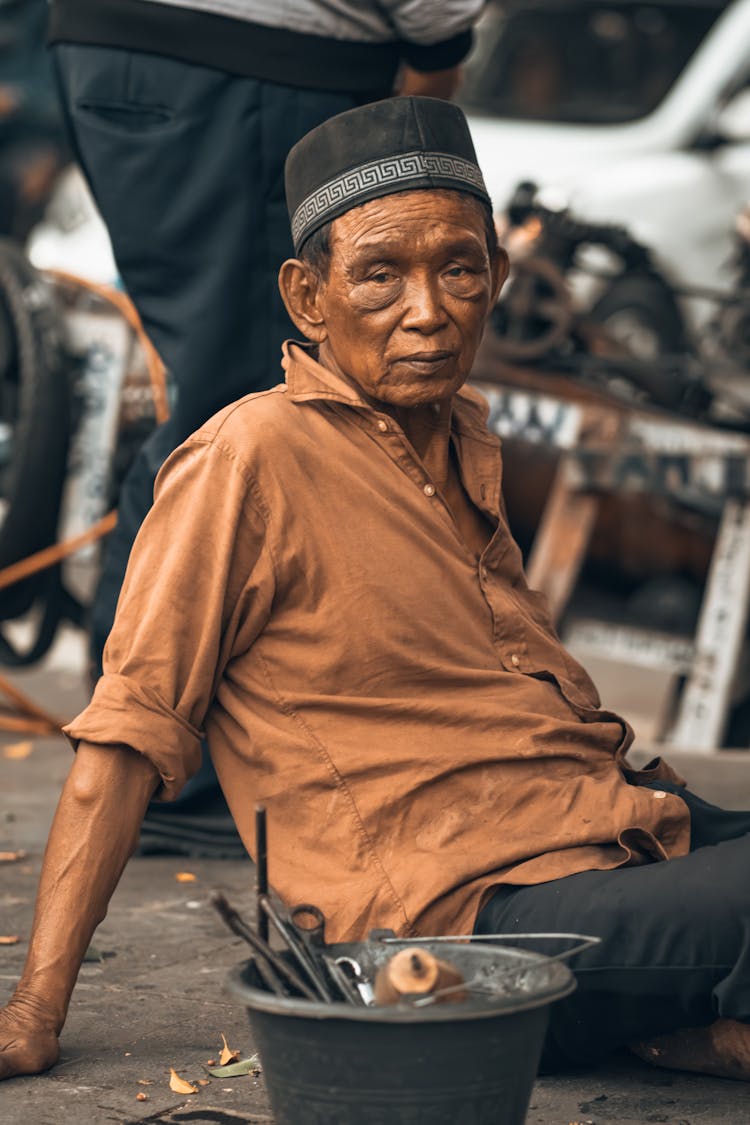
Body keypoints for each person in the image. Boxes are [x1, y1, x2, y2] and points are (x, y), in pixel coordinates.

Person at [2, 96, 750, 1083]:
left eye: (458, 269)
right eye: (381, 276)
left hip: (593, 848)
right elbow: (129, 735)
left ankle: (680, 1029)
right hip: (440, 937)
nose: (429, 312)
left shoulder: (465, 433)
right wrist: (33, 1010)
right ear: (310, 299)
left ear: (499, 279)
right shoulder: (251, 455)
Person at [47, 0, 485, 854]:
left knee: (217, 380)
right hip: (260, 71)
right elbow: (438, 20)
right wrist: (428, 83)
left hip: (113, 55)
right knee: (247, 400)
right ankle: (164, 769)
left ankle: (167, 756)